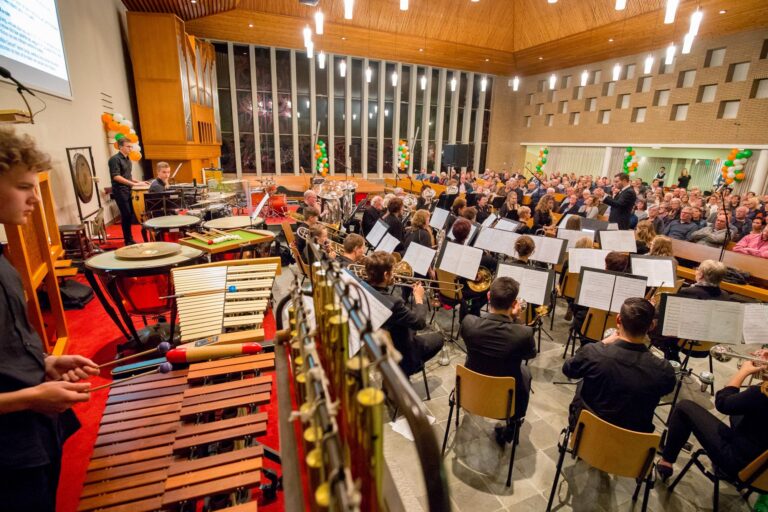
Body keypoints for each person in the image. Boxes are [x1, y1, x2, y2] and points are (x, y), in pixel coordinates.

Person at [0, 127, 99, 511]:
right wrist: (30, 397)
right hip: (8, 454)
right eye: (24, 187)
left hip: (35, 432)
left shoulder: (3, 260)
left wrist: (43, 363)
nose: (36, 199)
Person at [563, 298, 676, 433]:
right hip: (633, 438)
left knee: (584, 381)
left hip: (588, 433)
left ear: (618, 320)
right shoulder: (663, 369)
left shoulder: (593, 352)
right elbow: (666, 389)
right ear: (651, 326)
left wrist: (602, 343)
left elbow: (568, 369)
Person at [655, 357, 768, 482]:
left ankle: (666, 461)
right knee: (739, 411)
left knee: (684, 408)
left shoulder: (762, 393)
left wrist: (743, 371)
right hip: (763, 472)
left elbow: (722, 402)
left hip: (741, 464)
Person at [460, 277, 536, 441]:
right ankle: (513, 425)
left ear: (488, 296)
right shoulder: (524, 333)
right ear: (514, 304)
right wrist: (516, 320)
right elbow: (530, 354)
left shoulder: (468, 323)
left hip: (469, 393)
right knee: (525, 371)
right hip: (505, 404)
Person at [363, 252, 444, 377]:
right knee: (439, 338)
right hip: (400, 351)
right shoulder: (394, 303)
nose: (394, 274)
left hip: (379, 341)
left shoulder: (362, 287)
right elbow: (420, 323)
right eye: (392, 271)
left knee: (408, 325)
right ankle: (409, 367)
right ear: (385, 275)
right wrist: (418, 298)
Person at [650, 260, 734, 361]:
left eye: (698, 269)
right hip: (709, 346)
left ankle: (670, 361)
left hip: (683, 343)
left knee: (649, 324)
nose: (696, 271)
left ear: (701, 275)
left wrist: (652, 306)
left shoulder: (687, 293)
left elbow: (664, 318)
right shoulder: (725, 295)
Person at [109, 138, 144, 246]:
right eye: (128, 146)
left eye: (131, 146)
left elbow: (128, 177)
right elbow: (116, 176)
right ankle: (128, 240)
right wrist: (133, 184)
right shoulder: (114, 159)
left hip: (128, 190)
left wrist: (140, 182)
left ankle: (129, 238)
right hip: (120, 191)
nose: (130, 149)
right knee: (126, 214)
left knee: (130, 214)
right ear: (120, 147)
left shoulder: (128, 159)